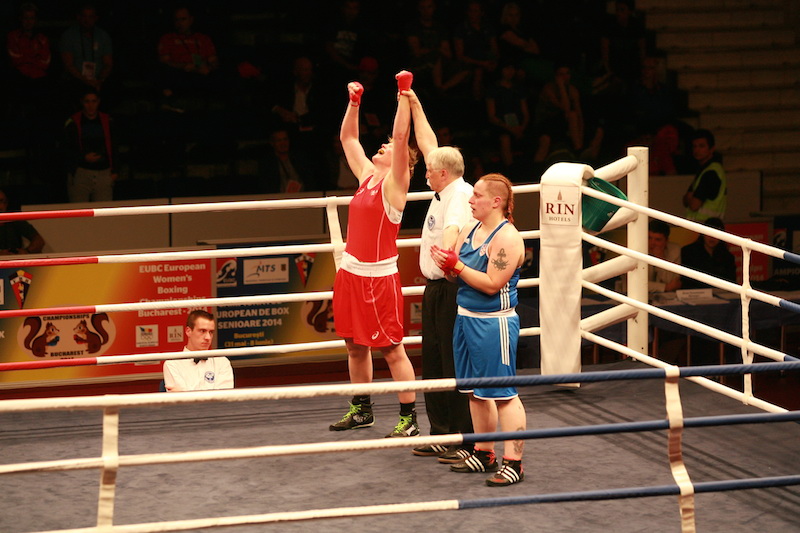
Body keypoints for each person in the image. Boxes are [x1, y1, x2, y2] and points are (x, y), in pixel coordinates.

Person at [329, 71, 420, 438]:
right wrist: (354, 103)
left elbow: (400, 137)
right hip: (350, 273)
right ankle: (361, 409)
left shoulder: (396, 184)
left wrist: (403, 94)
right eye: (380, 145)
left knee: (391, 351)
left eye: (386, 147)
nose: (381, 146)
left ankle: (409, 417)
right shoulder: (367, 175)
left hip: (377, 279)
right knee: (354, 346)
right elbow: (348, 138)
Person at [431, 172, 526, 487]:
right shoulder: (470, 229)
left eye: (477, 196)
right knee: (474, 391)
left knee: (503, 394)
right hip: (464, 317)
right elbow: (455, 277)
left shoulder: (507, 238)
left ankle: (514, 462)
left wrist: (455, 266)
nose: (470, 201)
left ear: (496, 201)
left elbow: (492, 284)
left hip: (493, 322)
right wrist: (447, 266)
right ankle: (485, 452)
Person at [406, 90, 476, 463]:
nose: (425, 173)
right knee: (433, 360)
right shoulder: (445, 186)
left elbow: (452, 230)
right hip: (435, 288)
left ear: (443, 174)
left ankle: (463, 439)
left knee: (452, 363)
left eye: (430, 170)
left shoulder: (459, 196)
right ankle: (441, 433)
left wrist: (448, 256)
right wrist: (415, 104)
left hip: (452, 288)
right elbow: (429, 144)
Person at [156, 5, 220, 110]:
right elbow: (164, 62)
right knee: (163, 72)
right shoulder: (167, 39)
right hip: (179, 72)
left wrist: (209, 68)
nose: (180, 23)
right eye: (177, 20)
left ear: (191, 20)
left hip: (201, 73)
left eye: (183, 19)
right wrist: (184, 66)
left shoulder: (203, 38)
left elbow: (214, 61)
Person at [63, 88, 117, 202]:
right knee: (79, 214)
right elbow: (66, 147)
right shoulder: (72, 122)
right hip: (80, 173)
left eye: (94, 101)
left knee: (104, 214)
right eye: (87, 101)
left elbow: (115, 146)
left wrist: (115, 171)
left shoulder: (108, 121)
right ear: (82, 102)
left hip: (104, 172)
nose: (90, 105)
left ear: (98, 102)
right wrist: (82, 157)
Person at [163, 310, 234, 391]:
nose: (208, 337)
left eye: (211, 332)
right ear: (188, 331)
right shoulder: (172, 364)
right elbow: (180, 402)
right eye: (202, 331)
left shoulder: (222, 362)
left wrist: (187, 394)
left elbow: (223, 399)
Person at [59, 3, 113, 102]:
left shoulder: (103, 36)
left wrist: (99, 80)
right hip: (76, 79)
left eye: (90, 17)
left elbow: (108, 63)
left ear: (96, 18)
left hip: (98, 79)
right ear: (78, 17)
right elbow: (68, 65)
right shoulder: (69, 35)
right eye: (84, 16)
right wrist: (86, 80)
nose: (87, 20)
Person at [683, 129, 727, 222]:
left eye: (701, 146)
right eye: (694, 146)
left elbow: (693, 205)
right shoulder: (707, 169)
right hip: (705, 225)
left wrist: (689, 198)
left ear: (712, 149)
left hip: (704, 226)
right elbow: (685, 200)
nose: (697, 150)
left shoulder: (711, 173)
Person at [680, 217, 736, 290]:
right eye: (709, 233)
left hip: (720, 293)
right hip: (695, 293)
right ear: (703, 234)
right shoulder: (688, 252)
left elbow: (731, 282)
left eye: (716, 234)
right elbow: (686, 281)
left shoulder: (727, 256)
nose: (712, 237)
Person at [0, 188, 45, 255]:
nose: (2, 206)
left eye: (4, 202)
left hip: (14, 261)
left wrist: (27, 251)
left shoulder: (14, 219)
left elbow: (39, 241)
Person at [648, 219, 681, 293]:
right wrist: (665, 287)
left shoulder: (674, 250)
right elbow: (638, 284)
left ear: (666, 241)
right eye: (649, 238)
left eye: (658, 240)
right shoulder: (635, 250)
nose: (652, 243)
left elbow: (673, 282)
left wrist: (660, 259)